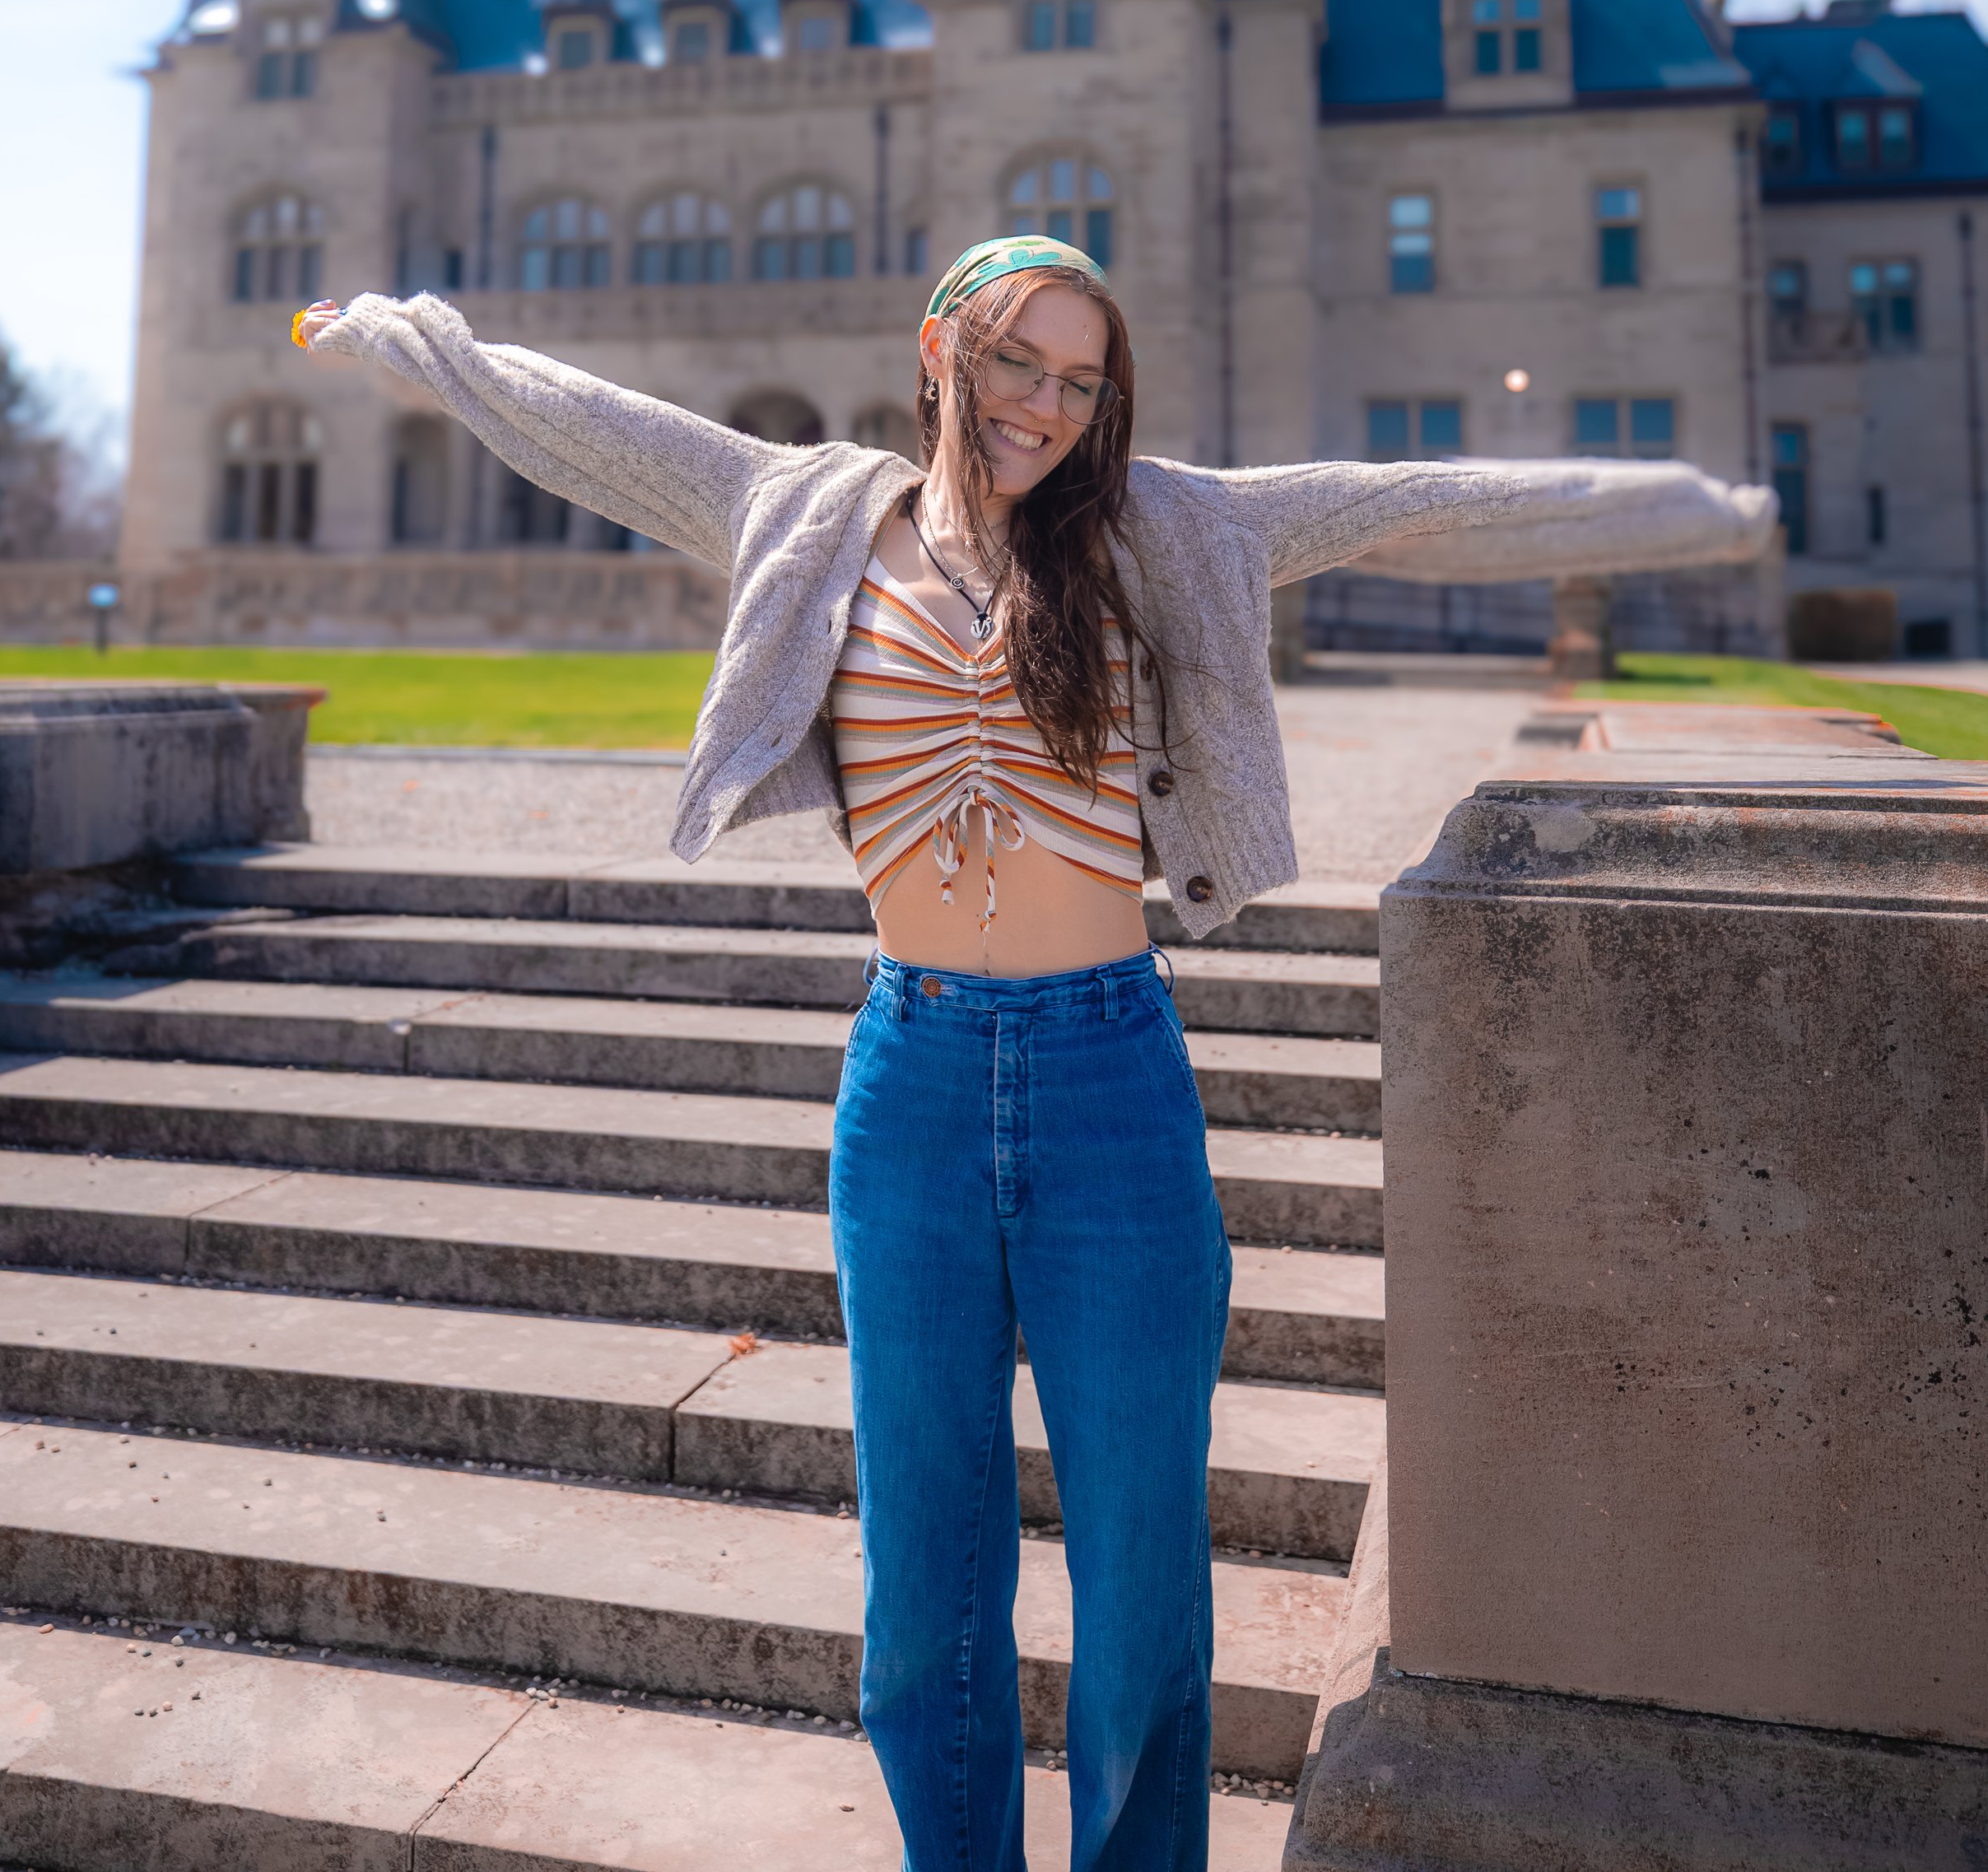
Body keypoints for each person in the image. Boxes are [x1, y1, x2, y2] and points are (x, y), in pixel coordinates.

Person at [295, 242, 1769, 1870]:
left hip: (1108, 1084)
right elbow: (575, 422)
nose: (1046, 411)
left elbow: (1417, 503)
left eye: (1079, 383)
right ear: (941, 350)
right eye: (1018, 367)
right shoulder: (807, 510)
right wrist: (406, 342)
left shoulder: (1168, 528)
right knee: (925, 1585)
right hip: (910, 1086)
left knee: (1139, 1571)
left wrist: (1690, 507)